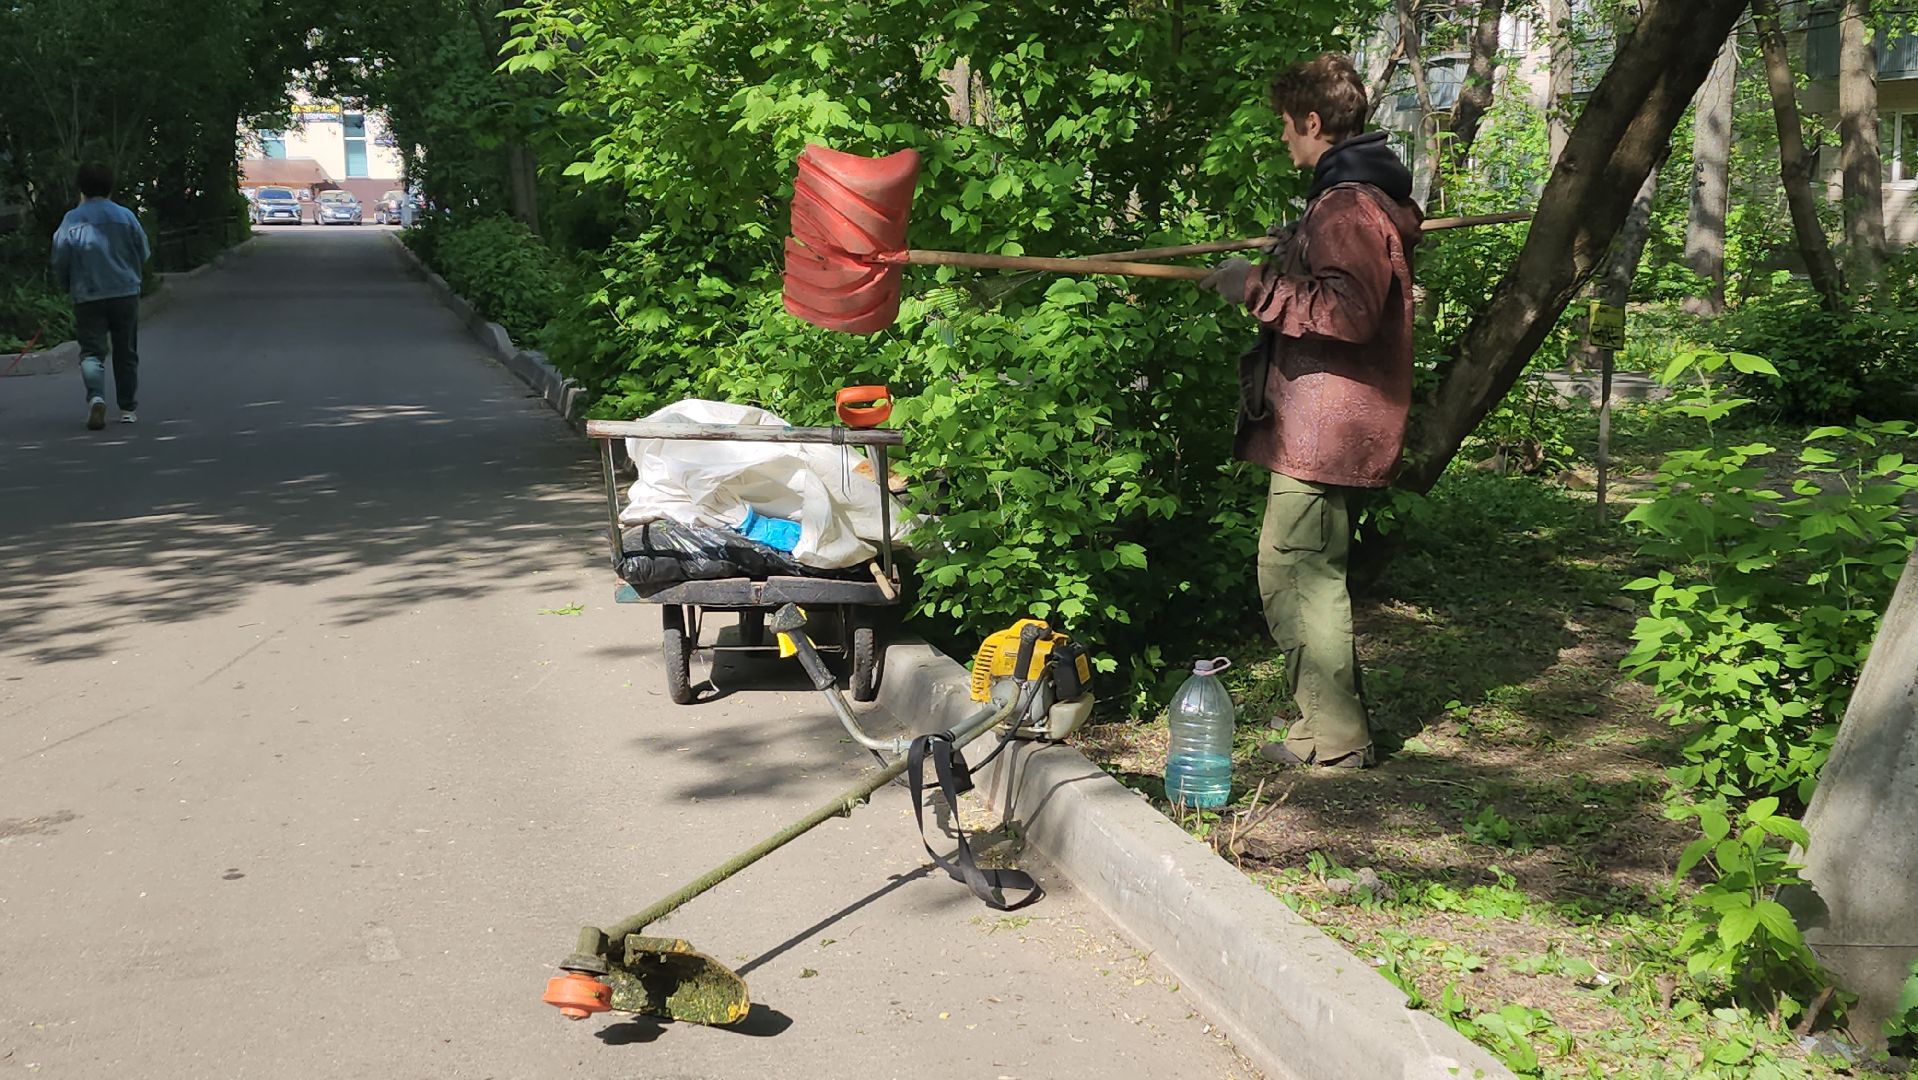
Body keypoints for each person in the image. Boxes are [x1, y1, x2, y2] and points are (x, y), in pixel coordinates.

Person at [1199, 53, 1424, 770]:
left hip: (1325, 428)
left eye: (1286, 125)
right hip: (1329, 422)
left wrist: (1255, 287)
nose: (1283, 137)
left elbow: (1349, 312)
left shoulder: (1347, 205)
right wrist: (1282, 257)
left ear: (1315, 122)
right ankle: (1329, 722)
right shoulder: (1359, 195)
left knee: (1295, 574)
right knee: (1307, 572)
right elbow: (1338, 282)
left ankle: (1333, 736)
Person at [51, 162, 150, 429]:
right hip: (124, 292)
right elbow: (143, 251)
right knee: (125, 350)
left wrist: (66, 285)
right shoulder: (125, 216)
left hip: (88, 294)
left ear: (81, 188)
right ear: (110, 187)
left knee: (92, 352)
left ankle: (96, 398)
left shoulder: (72, 219)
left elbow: (60, 258)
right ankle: (127, 408)